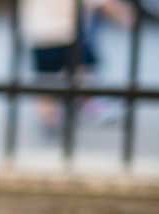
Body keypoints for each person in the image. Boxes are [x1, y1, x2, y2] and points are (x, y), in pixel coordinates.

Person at [22, 0, 136, 131]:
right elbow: (102, 3)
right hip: (67, 33)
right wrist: (124, 16)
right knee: (83, 70)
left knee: (46, 81)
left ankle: (51, 119)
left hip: (39, 34)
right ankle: (83, 101)